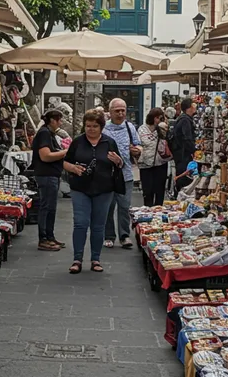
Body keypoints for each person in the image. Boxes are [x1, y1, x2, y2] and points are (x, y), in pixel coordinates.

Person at [63, 109, 124, 274]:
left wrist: (119, 161)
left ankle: (96, 259)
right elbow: (66, 162)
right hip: (80, 188)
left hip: (104, 189)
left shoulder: (109, 142)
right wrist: (74, 168)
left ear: (101, 127)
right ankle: (77, 259)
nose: (90, 129)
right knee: (80, 223)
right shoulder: (77, 142)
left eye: (94, 126)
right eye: (88, 126)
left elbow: (119, 164)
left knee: (98, 226)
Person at [103, 98, 141, 249]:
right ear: (110, 112)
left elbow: (138, 145)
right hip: (108, 175)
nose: (120, 113)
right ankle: (109, 236)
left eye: (122, 110)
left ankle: (124, 236)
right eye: (117, 111)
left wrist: (136, 151)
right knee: (108, 207)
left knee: (124, 206)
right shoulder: (104, 128)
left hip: (126, 174)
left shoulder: (129, 127)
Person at [31, 110, 67, 251]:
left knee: (51, 207)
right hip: (46, 175)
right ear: (52, 120)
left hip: (51, 175)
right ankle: (44, 238)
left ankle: (50, 236)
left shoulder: (49, 133)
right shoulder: (44, 133)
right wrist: (65, 152)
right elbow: (45, 156)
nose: (61, 123)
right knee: (46, 207)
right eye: (59, 120)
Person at [137, 107, 171, 207]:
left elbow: (168, 141)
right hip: (146, 165)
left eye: (160, 118)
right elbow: (138, 144)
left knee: (160, 191)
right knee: (147, 192)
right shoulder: (142, 129)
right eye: (156, 118)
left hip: (160, 163)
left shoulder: (162, 128)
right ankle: (147, 211)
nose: (157, 120)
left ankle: (158, 212)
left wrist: (163, 128)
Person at [170, 98, 197, 193]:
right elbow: (187, 138)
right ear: (189, 108)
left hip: (180, 154)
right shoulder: (185, 120)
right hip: (183, 155)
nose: (195, 107)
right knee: (184, 178)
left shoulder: (182, 118)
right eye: (193, 105)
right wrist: (194, 151)